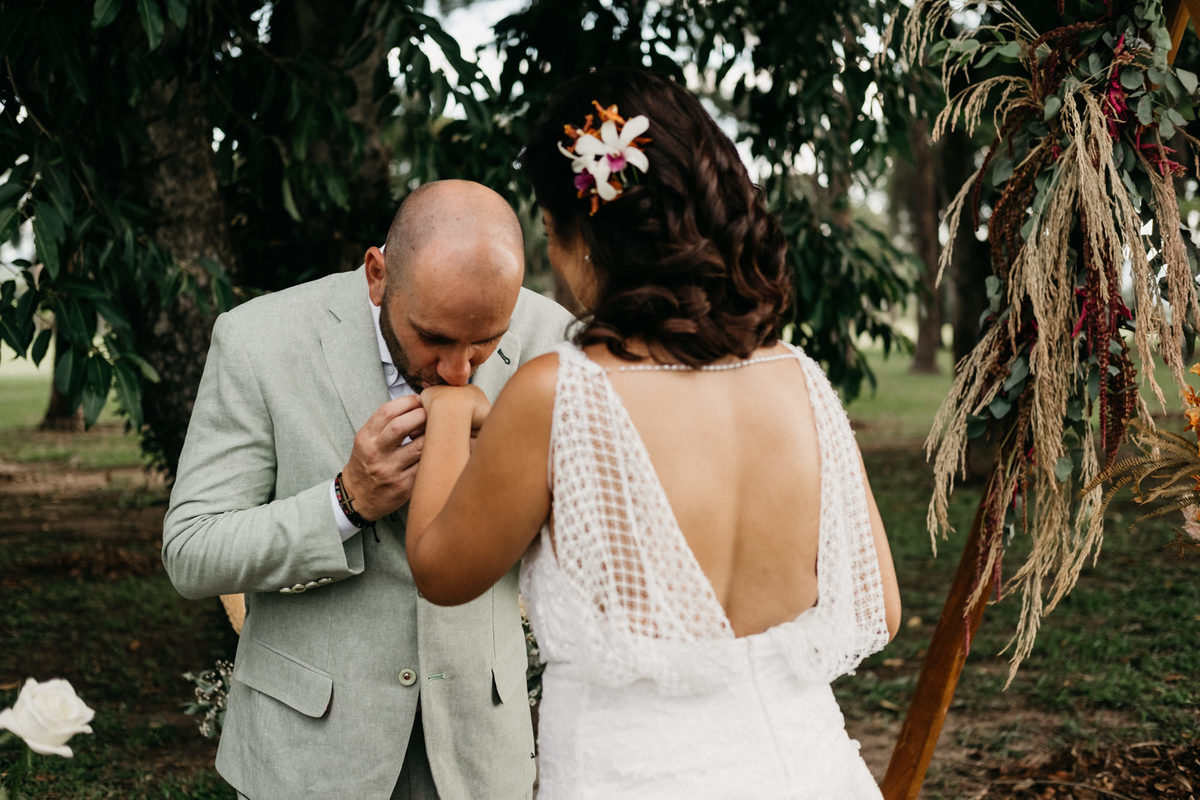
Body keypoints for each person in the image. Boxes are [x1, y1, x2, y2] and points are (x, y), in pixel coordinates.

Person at [405, 70, 902, 798]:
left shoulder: (558, 392)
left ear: (581, 235)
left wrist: (450, 416)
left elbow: (440, 570)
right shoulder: (800, 380)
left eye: (548, 232)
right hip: (809, 769)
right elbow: (880, 608)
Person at [162, 180, 574, 800]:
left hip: (478, 755)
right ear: (377, 274)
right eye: (433, 338)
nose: (459, 371)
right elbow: (192, 552)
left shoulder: (554, 339)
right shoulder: (258, 340)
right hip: (305, 757)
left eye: (486, 340)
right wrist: (345, 502)